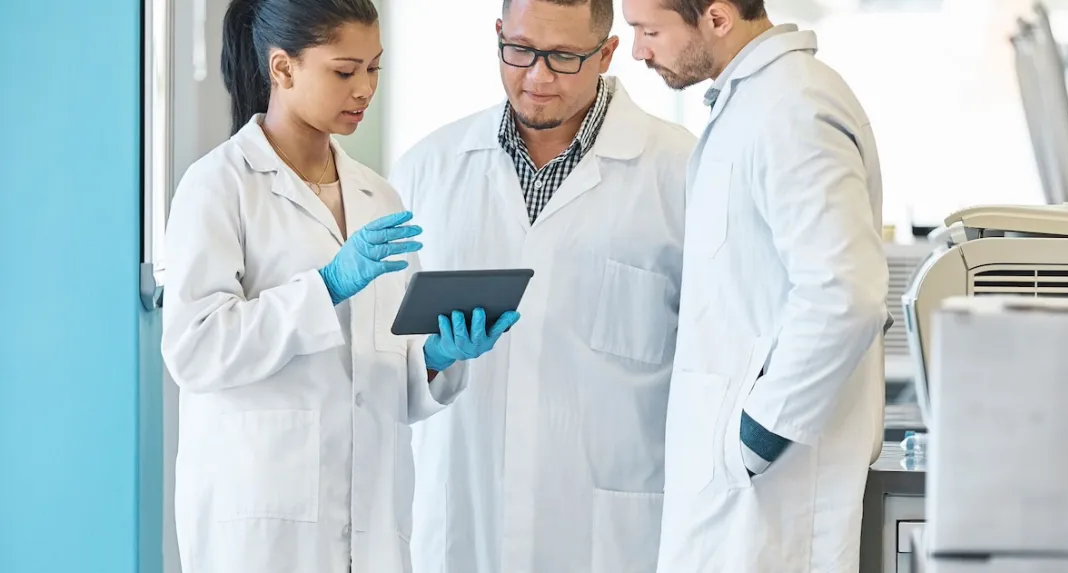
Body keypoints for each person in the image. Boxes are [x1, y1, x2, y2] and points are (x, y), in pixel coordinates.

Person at [160, 0, 520, 572]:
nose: (364, 89)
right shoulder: (219, 186)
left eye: (374, 68)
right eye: (344, 71)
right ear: (283, 69)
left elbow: (377, 373)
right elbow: (195, 350)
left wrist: (433, 356)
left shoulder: (378, 196)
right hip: (263, 518)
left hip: (371, 518)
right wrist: (325, 286)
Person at [387, 0, 696, 571]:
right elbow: (384, 364)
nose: (537, 76)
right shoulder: (426, 171)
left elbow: (710, 366)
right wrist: (431, 361)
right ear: (499, 34)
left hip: (612, 535)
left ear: (606, 54)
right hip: (461, 522)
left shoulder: (679, 172)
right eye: (521, 50)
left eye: (562, 57)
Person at [620, 0, 890, 571]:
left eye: (649, 30)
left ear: (716, 18)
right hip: (738, 491)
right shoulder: (753, 102)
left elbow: (847, 294)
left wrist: (758, 436)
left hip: (774, 493)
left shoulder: (794, 107)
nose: (639, 50)